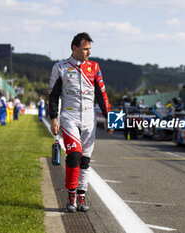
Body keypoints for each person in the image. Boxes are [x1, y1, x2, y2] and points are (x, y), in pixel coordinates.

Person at [48, 32, 114, 213]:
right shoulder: (60, 67)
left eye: (90, 49)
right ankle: (71, 194)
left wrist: (110, 117)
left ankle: (82, 195)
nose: (88, 53)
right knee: (74, 155)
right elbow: (53, 95)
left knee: (85, 160)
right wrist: (54, 118)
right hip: (69, 118)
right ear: (74, 48)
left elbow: (101, 94)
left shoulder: (94, 67)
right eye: (85, 49)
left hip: (89, 119)